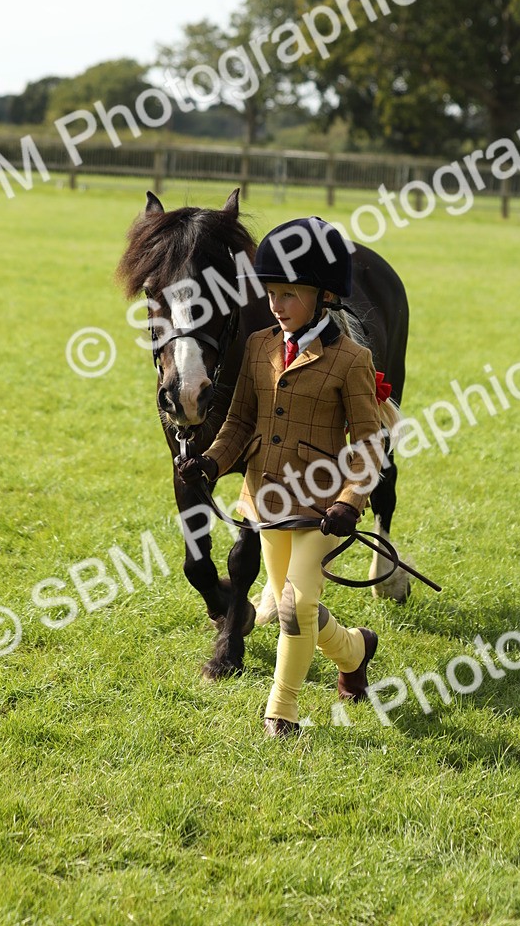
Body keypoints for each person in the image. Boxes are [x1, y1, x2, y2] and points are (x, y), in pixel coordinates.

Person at [177, 217, 385, 737]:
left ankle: (282, 713)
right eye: (270, 292)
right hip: (265, 502)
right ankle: (356, 649)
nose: (275, 304)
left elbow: (367, 443)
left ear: (325, 296)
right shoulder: (257, 346)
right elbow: (240, 423)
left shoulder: (351, 360)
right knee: (301, 606)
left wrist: (350, 502)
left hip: (320, 507)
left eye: (289, 294)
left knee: (294, 608)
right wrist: (212, 463)